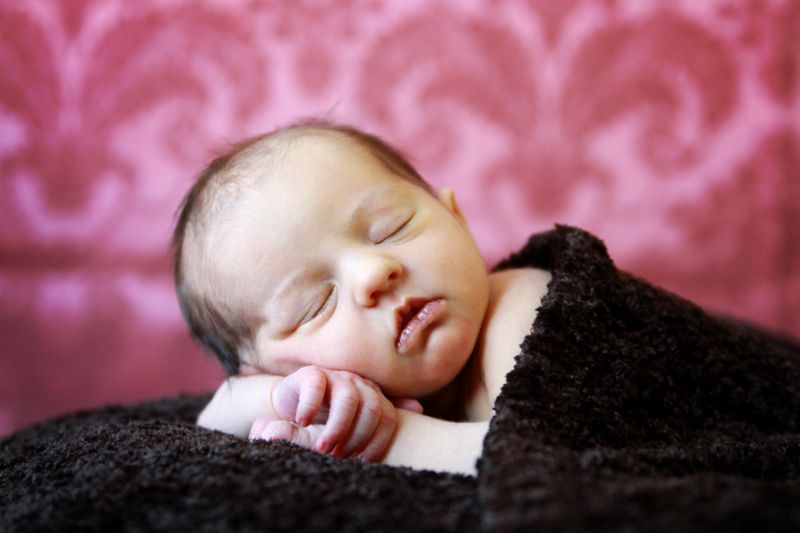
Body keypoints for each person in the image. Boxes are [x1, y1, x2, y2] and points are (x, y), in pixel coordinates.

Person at [172, 120, 551, 474]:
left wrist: (386, 437)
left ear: (455, 215)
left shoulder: (528, 305)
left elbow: (538, 457)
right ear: (272, 368)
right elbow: (212, 422)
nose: (372, 273)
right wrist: (284, 398)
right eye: (314, 304)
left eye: (391, 228)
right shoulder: (304, 388)